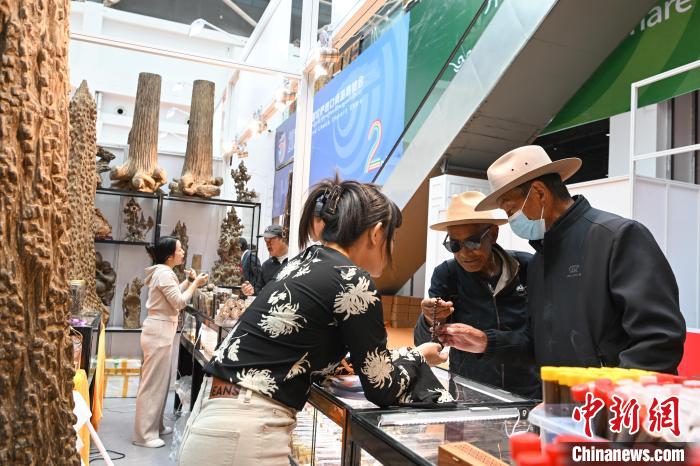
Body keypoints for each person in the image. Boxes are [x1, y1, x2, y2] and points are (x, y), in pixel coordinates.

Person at [178, 180, 449, 465]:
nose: (393, 247)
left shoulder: (301, 262)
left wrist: (407, 355)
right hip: (246, 429)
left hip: (215, 415)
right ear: (377, 232)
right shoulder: (353, 279)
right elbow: (381, 387)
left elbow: (348, 357)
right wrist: (418, 357)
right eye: (392, 237)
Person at [441, 145, 686, 374]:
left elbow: (657, 338)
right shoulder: (539, 261)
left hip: (612, 402)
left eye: (511, 209)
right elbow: (538, 342)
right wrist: (487, 342)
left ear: (539, 193)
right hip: (563, 402)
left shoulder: (616, 238)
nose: (511, 219)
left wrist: (611, 395)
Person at [414, 191, 539, 398]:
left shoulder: (527, 268)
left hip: (527, 393)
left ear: (493, 234)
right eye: (454, 245)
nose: (464, 253)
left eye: (472, 242)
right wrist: (429, 319)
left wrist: (487, 341)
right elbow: (426, 344)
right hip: (469, 393)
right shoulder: (447, 275)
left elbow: (541, 338)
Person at [134, 237, 208, 448]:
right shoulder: (164, 273)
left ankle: (154, 426)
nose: (183, 252)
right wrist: (196, 283)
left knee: (160, 383)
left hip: (161, 331)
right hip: (158, 332)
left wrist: (188, 282)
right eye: (180, 249)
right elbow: (179, 302)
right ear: (169, 255)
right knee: (152, 384)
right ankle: (144, 435)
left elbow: (173, 294)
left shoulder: (164, 272)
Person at [240, 224, 288, 296]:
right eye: (266, 241)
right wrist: (250, 291)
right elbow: (258, 291)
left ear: (283, 239)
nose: (268, 245)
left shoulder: (297, 261)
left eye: (270, 241)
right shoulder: (266, 266)